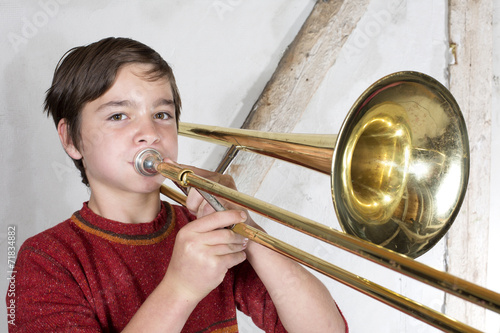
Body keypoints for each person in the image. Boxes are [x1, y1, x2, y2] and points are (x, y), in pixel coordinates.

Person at [6, 37, 347, 332]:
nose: (151, 132)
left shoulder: (207, 231)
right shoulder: (47, 259)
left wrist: (247, 225)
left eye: (162, 114)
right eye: (118, 115)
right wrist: (181, 288)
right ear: (71, 139)